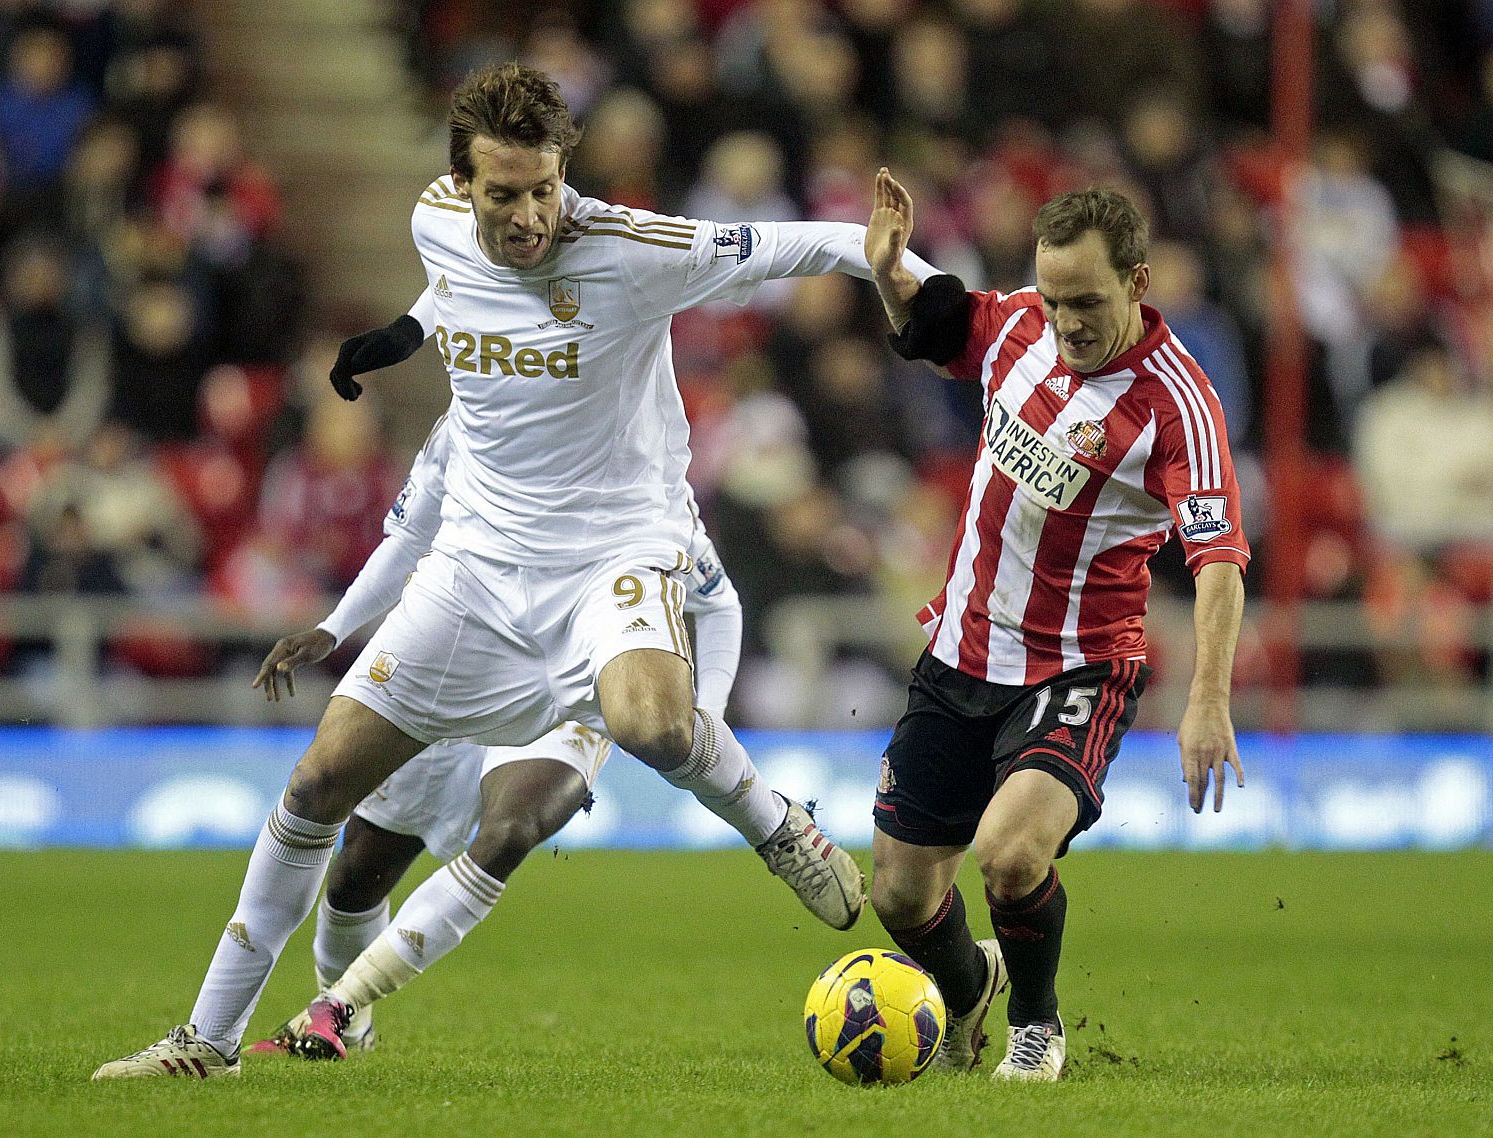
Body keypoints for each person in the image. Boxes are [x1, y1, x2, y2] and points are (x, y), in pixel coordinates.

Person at [93, 62, 941, 1080]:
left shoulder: (629, 250)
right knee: (318, 784)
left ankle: (778, 828)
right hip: (477, 569)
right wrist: (401, 336)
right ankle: (208, 1041)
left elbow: (786, 245)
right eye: (504, 195)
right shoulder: (434, 220)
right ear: (461, 185)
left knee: (654, 723)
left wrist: (901, 272)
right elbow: (450, 288)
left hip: (616, 550)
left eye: (544, 188)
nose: (531, 214)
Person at [860, 170, 1248, 1082]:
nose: (1066, 319)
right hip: (959, 651)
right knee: (900, 894)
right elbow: (939, 323)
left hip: (1077, 666)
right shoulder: (1022, 323)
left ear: (1138, 285)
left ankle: (1037, 1025)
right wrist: (887, 273)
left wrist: (1210, 700)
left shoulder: (1176, 405)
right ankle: (970, 990)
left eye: (1088, 300)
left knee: (1007, 854)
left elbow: (1220, 559)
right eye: (1054, 295)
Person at [234, 420, 742, 1058]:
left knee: (511, 829)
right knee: (357, 877)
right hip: (466, 658)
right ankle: (350, 1029)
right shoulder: (472, 419)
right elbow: (409, 533)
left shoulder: (630, 466)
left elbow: (719, 601)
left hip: (568, 683)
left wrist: (709, 722)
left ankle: (337, 1006)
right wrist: (335, 628)